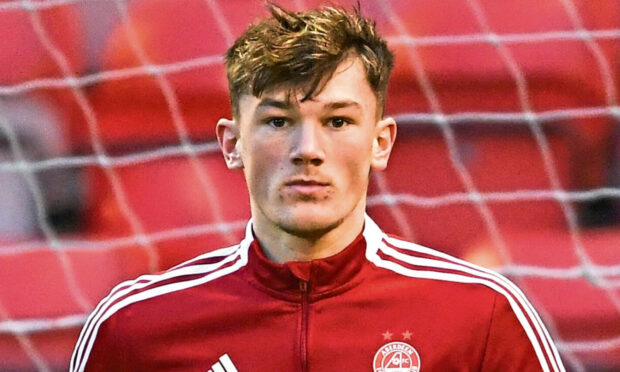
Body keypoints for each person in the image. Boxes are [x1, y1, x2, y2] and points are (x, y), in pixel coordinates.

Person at [70, 3, 565, 371]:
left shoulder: (483, 315)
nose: (307, 148)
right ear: (232, 143)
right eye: (279, 121)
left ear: (381, 142)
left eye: (338, 121)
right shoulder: (132, 328)